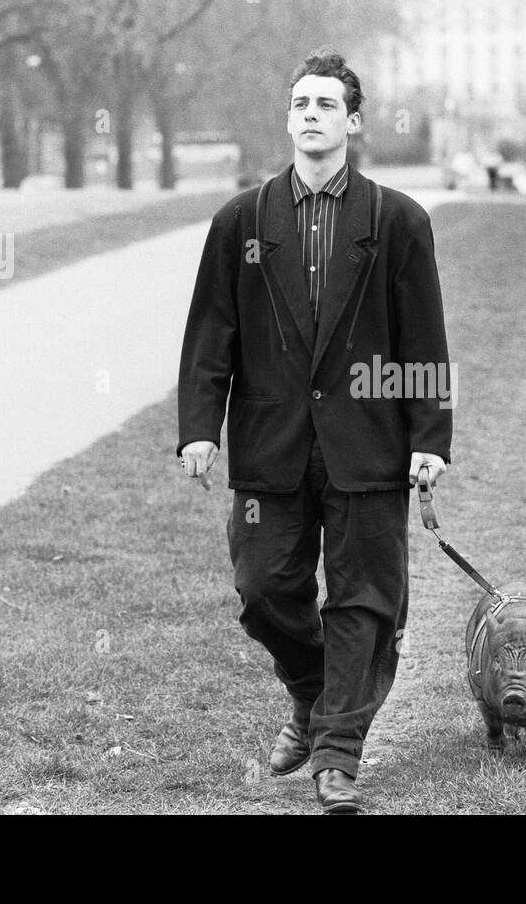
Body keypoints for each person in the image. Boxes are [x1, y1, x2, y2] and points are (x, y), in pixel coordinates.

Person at [176, 49, 453, 814]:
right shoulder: (242, 221)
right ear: (288, 118)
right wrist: (200, 427)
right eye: (300, 103)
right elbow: (211, 333)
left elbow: (421, 340)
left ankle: (337, 752)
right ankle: (310, 690)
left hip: (368, 445)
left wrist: (430, 436)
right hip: (271, 445)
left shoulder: (398, 221)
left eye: (326, 104)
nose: (311, 114)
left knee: (365, 600)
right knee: (263, 589)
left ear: (353, 122)